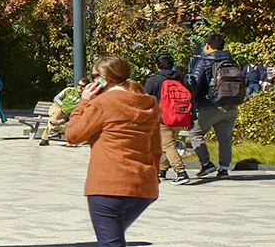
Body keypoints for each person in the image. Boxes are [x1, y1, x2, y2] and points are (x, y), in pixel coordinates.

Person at [64, 57, 164, 247]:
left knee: (111, 244)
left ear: (105, 78)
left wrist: (83, 102)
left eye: (94, 76)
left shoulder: (102, 103)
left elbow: (72, 135)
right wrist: (155, 177)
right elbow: (155, 148)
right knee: (113, 240)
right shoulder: (148, 103)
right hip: (144, 187)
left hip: (108, 187)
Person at [186, 34, 243, 179]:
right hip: (231, 105)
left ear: (206, 46)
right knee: (225, 138)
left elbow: (195, 82)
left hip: (209, 105)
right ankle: (223, 168)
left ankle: (206, 164)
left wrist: (194, 99)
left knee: (195, 133)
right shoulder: (232, 61)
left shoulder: (203, 61)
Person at [143, 53, 194, 184]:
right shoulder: (179, 78)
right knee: (166, 144)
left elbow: (143, 98)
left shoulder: (154, 80)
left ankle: (181, 172)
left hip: (163, 118)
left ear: (157, 65)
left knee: (168, 145)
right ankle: (162, 171)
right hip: (180, 116)